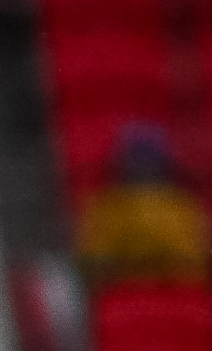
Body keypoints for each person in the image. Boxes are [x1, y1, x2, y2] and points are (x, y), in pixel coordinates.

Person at [75, 121, 209, 289]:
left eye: (151, 163)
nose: (144, 170)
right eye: (137, 163)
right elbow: (93, 266)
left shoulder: (182, 207)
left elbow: (195, 269)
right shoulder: (107, 208)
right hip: (120, 297)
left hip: (177, 297)